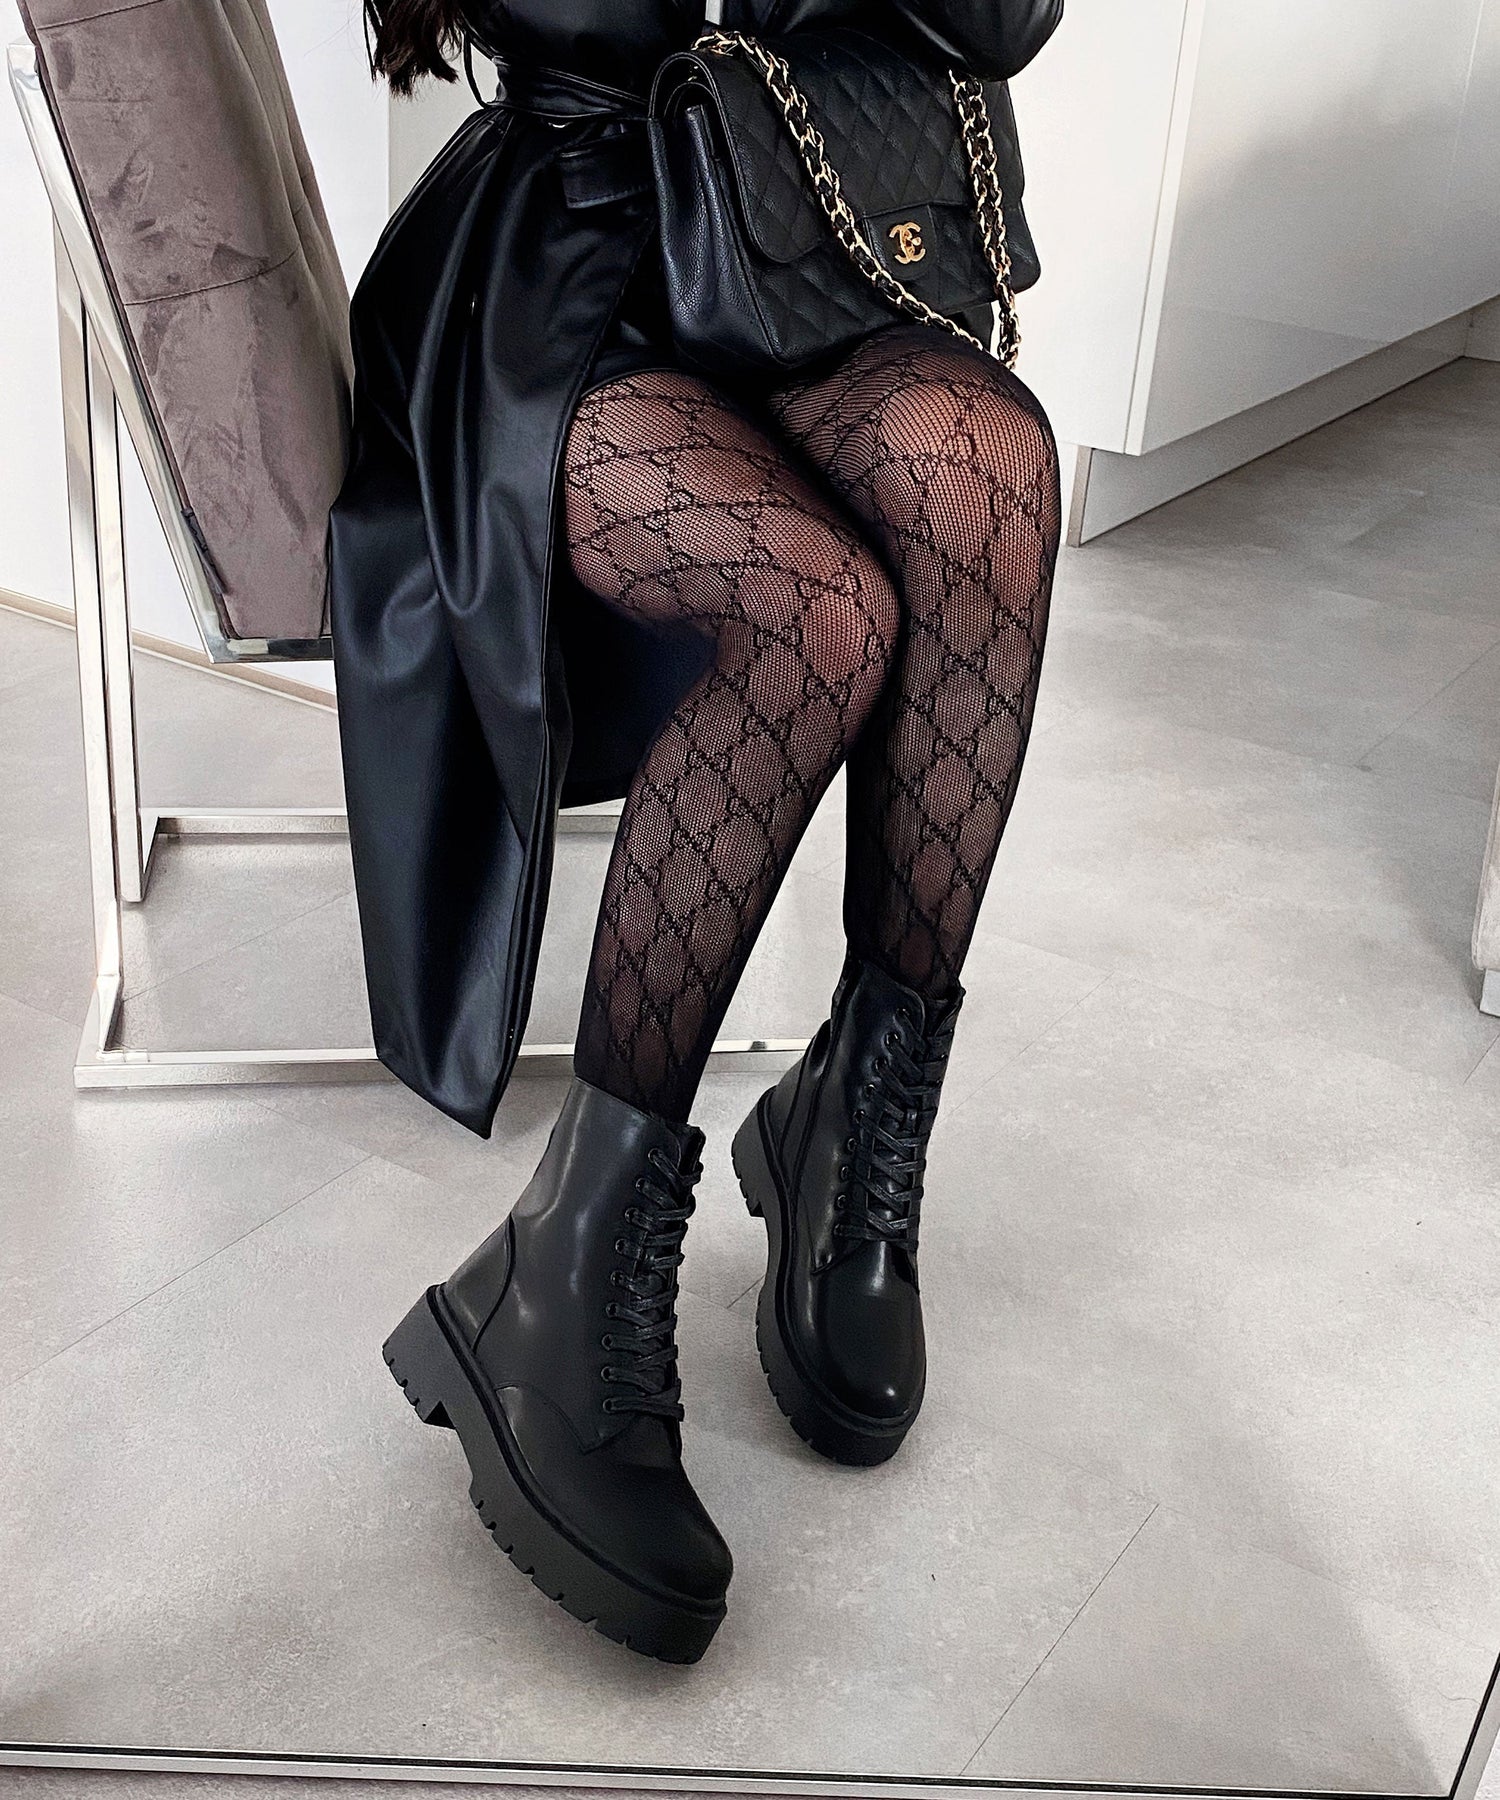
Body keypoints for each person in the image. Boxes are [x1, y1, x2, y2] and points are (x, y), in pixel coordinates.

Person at [334, 0, 1064, 1665]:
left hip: (791, 236)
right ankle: (561, 1266)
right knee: (817, 608)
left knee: (993, 473)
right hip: (571, 260)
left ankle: (856, 1123)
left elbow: (1000, 25)